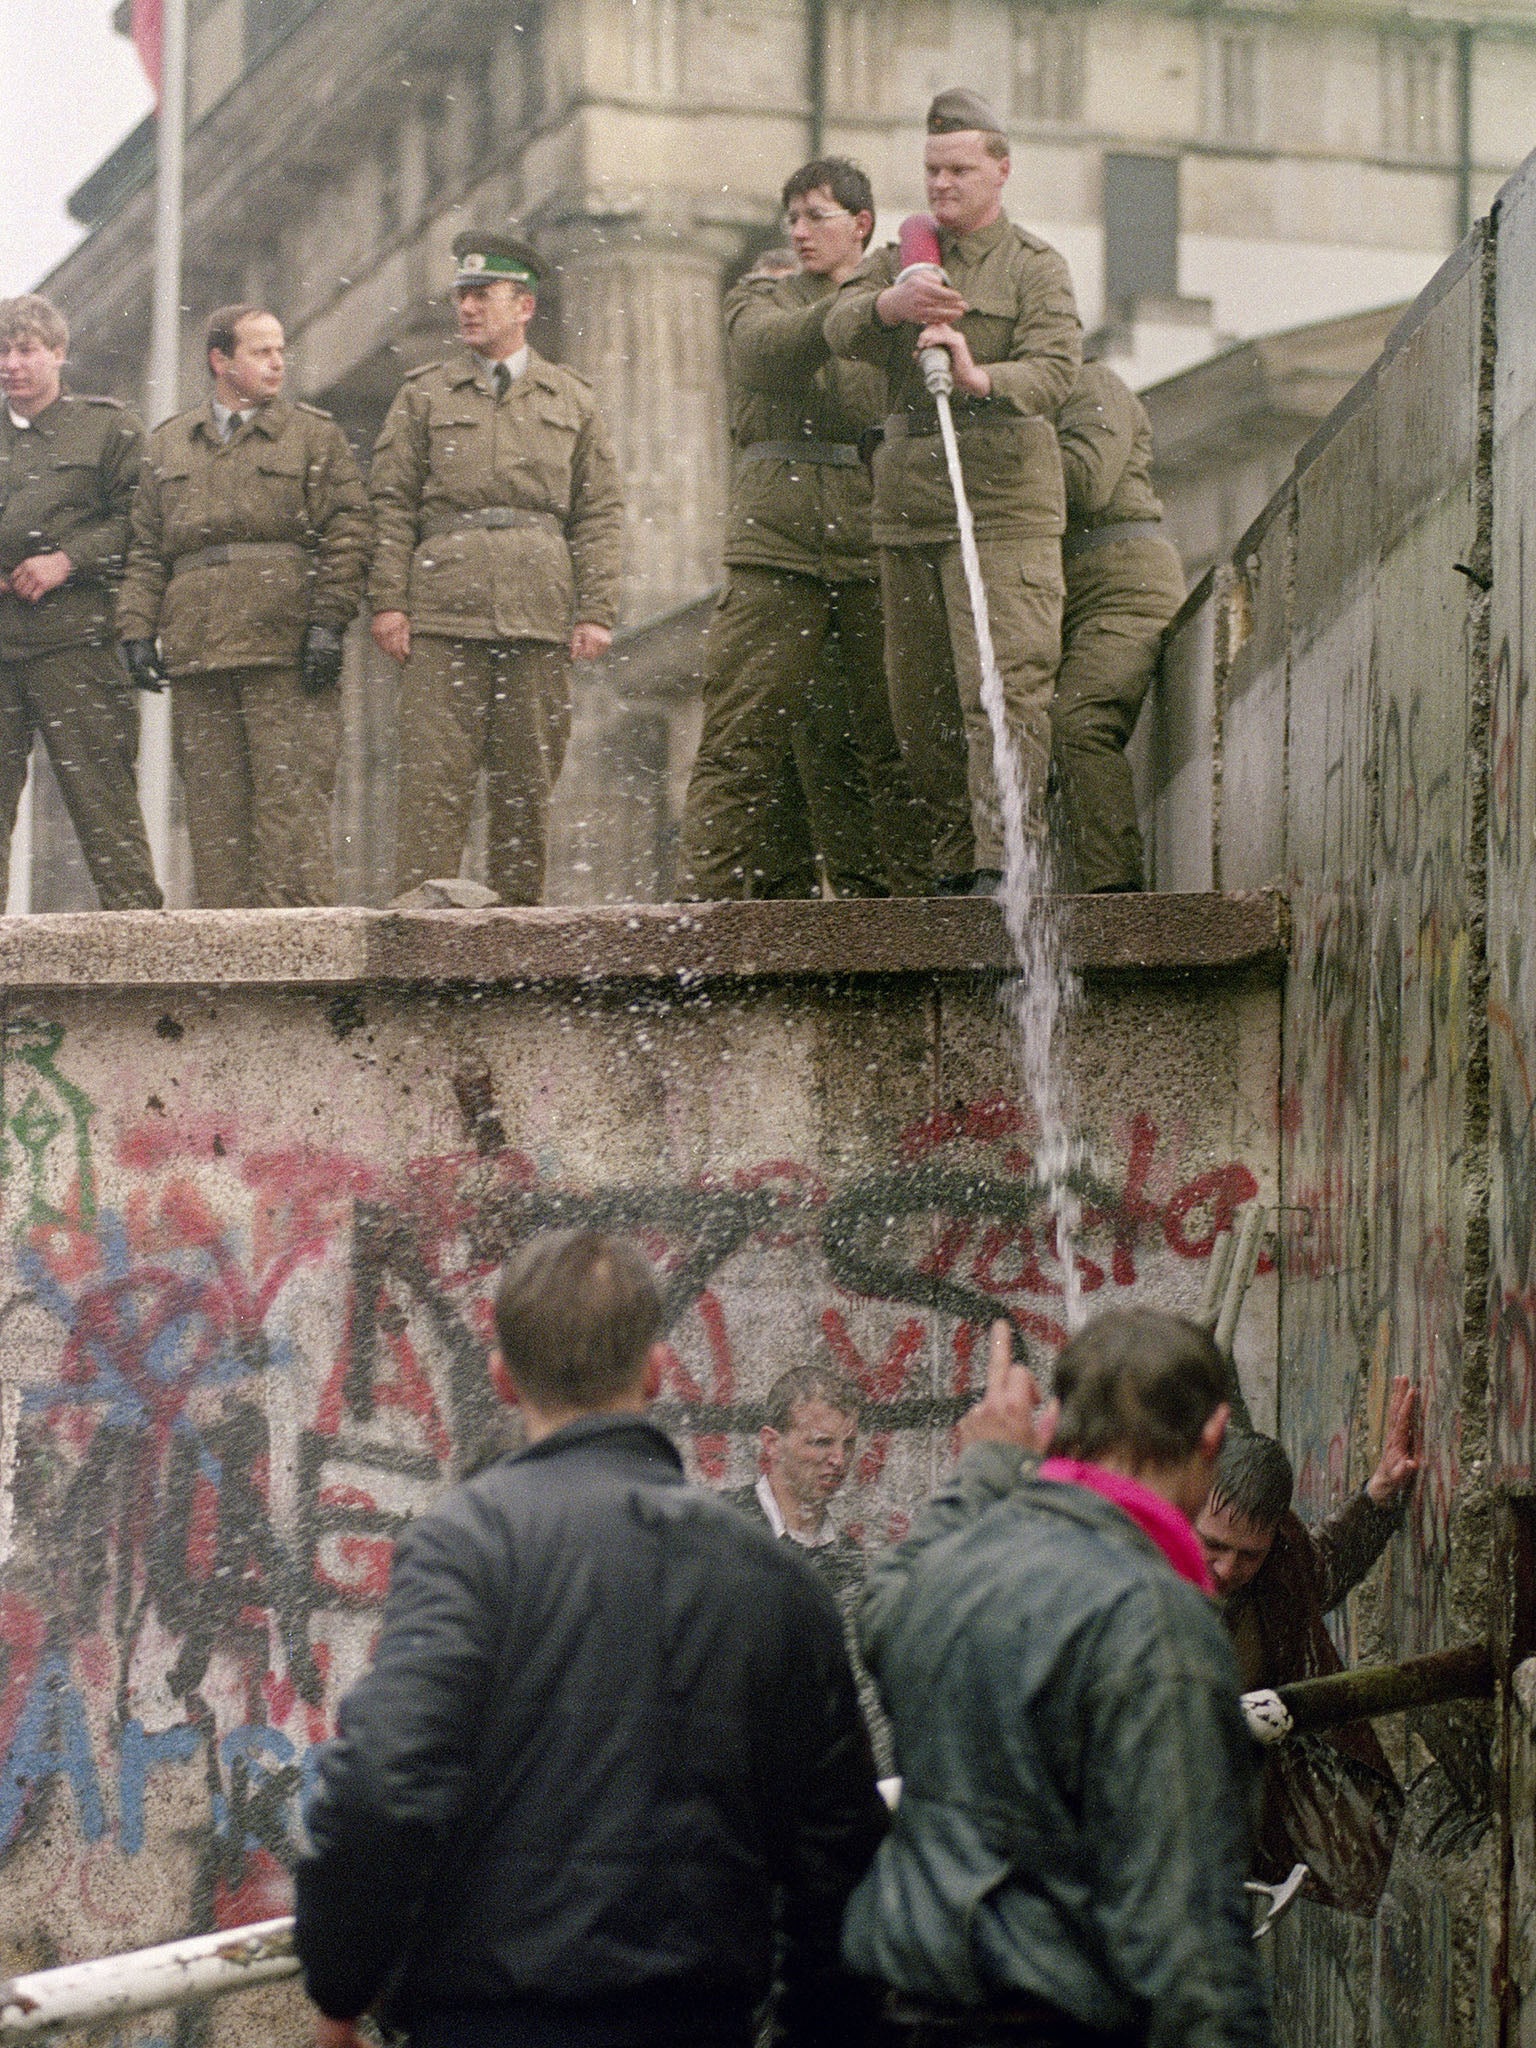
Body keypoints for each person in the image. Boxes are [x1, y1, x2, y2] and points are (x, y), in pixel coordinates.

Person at [294, 1228, 886, 2048]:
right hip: (698, 2023)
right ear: (652, 1371)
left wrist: (339, 1989)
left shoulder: (465, 1545)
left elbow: (384, 1785)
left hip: (492, 2024)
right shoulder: (769, 1574)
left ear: (503, 1376)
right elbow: (838, 1856)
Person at [847, 1311, 1274, 2048]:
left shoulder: (942, 1576)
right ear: (1213, 1435)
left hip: (896, 2017)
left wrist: (983, 1467)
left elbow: (886, 1601)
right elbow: (1188, 1943)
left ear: (1052, 1429)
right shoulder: (1158, 1618)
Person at [825, 89, 1082, 897]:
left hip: (1002, 504)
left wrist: (978, 375)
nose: (941, 185)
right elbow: (837, 326)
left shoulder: (1035, 266)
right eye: (933, 170)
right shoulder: (906, 253)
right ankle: (951, 862)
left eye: (960, 169)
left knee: (1000, 689)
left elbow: (1056, 369)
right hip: (909, 508)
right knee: (921, 703)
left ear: (1001, 171)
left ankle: (1003, 861)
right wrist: (887, 304)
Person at [681, 160, 931, 900]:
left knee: (887, 741)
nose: (797, 231)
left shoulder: (894, 305)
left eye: (815, 216)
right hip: (776, 545)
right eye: (791, 217)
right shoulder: (758, 300)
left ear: (860, 225)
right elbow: (771, 349)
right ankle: (702, 913)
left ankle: (900, 911)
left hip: (868, 541)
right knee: (740, 734)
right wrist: (870, 310)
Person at [368, 232, 624, 907]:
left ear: (525, 307)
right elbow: (391, 504)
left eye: (483, 296)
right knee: (433, 782)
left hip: (538, 612)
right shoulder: (424, 396)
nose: (467, 308)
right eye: (461, 295)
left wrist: (597, 609)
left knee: (526, 783)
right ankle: (420, 935)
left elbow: (598, 513)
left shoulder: (572, 399)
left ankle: (518, 943)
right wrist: (389, 602)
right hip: (443, 613)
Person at [116, 304, 371, 908]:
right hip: (200, 651)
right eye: (261, 351)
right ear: (219, 360)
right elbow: (148, 550)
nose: (277, 362)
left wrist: (329, 623)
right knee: (213, 809)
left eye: (280, 349)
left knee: (292, 805)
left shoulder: (313, 437)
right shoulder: (168, 445)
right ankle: (229, 960)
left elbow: (350, 531)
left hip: (284, 646)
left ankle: (301, 959)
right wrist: (135, 628)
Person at [1195, 1382, 1421, 1914]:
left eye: (1248, 1554)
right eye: (1213, 1546)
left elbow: (1317, 1570)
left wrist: (1378, 1498)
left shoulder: (1279, 1571)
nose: (1227, 1569)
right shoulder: (1129, 1570)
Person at [0, 294, 161, 910]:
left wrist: (67, 561)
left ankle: (145, 950)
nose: (13, 364)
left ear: (59, 354)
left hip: (76, 646)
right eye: (4, 351)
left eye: (27, 350)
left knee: (104, 805)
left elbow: (143, 520)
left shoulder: (107, 428)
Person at [1052, 360, 1185, 893]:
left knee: (1079, 722)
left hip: (1124, 587)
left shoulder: (1090, 382)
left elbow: (1087, 480)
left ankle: (1113, 895)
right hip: (1053, 594)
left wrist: (995, 453)